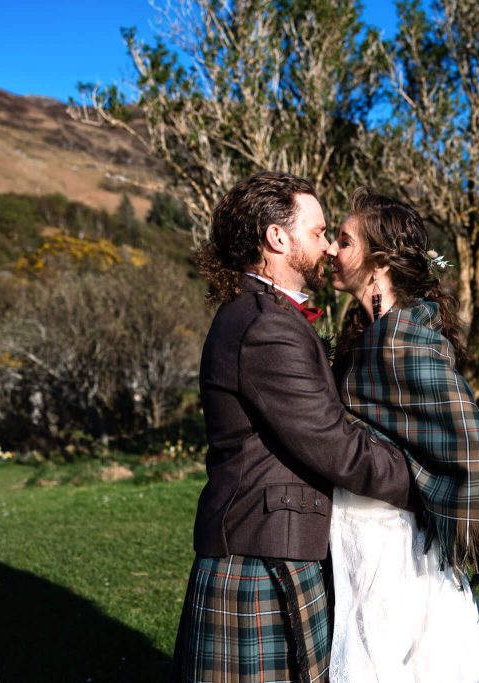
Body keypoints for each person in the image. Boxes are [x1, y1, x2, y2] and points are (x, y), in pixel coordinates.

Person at [170, 173, 418, 683]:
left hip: (269, 541)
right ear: (277, 238)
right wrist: (424, 481)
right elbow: (331, 442)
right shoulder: (266, 324)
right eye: (319, 231)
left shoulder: (264, 314)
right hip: (262, 553)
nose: (329, 248)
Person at [325, 188, 479, 682]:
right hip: (356, 532)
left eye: (345, 240)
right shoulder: (366, 337)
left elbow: (469, 440)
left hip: (395, 546)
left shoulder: (405, 342)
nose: (331, 248)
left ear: (380, 263)